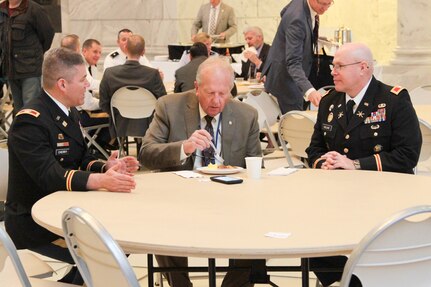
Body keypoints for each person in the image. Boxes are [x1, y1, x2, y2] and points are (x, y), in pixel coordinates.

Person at [5, 47, 139, 285]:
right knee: (106, 254)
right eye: (83, 79)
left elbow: (81, 157)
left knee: (119, 243)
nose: (87, 84)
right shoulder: (30, 121)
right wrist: (100, 181)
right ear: (63, 84)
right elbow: (49, 174)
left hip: (66, 210)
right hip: (34, 223)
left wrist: (106, 167)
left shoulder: (68, 111)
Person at [306, 43, 422, 287]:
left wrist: (356, 164)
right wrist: (324, 162)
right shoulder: (329, 102)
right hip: (336, 199)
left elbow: (407, 155)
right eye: (332, 66)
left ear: (363, 68)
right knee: (310, 243)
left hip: (383, 198)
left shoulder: (393, 100)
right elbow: (314, 149)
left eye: (339, 66)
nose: (332, 72)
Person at [140, 56, 262, 287]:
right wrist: (184, 147)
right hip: (179, 198)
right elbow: (146, 154)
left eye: (223, 93)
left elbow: (256, 166)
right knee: (160, 223)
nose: (216, 101)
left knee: (259, 225)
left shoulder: (247, 115)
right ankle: (181, 284)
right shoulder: (169, 106)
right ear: (196, 88)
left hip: (232, 198)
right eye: (210, 93)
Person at [262, 0, 333, 114]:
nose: (325, 7)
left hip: (291, 73)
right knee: (294, 125)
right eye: (323, 3)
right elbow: (293, 63)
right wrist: (310, 91)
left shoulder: (300, 3)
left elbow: (283, 11)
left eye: (329, 3)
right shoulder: (297, 20)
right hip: (285, 80)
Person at [99, 34, 166, 139]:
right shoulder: (152, 74)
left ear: (125, 48)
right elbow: (163, 101)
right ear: (143, 51)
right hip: (148, 124)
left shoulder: (110, 73)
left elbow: (103, 103)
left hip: (121, 124)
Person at [0, 0, 54, 114]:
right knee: (19, 110)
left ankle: (32, 132)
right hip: (10, 70)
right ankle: (22, 132)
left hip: (30, 69)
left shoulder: (34, 9)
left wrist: (34, 55)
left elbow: (47, 34)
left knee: (31, 109)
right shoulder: (1, 8)